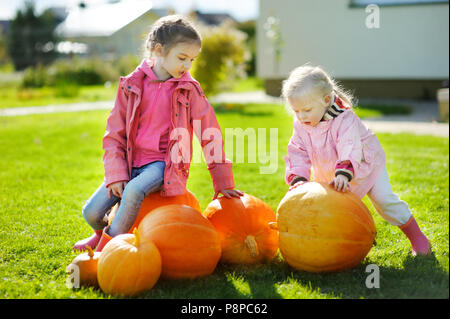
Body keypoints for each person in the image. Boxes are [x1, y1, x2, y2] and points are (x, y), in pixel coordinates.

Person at [73, 15, 243, 252]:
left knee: (133, 190)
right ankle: (99, 233)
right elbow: (114, 132)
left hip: (164, 164)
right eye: (182, 58)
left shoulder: (189, 89)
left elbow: (209, 131)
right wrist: (116, 173)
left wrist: (222, 179)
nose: (187, 66)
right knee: (91, 211)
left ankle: (106, 249)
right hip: (131, 161)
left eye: (192, 60)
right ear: (158, 50)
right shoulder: (131, 84)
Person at [283, 64, 430, 256]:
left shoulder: (344, 119)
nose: (301, 117)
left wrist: (344, 173)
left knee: (384, 201)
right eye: (296, 111)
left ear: (326, 100)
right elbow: (297, 151)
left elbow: (349, 146)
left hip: (365, 165)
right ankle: (339, 248)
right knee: (330, 212)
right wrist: (299, 179)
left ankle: (417, 237)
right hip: (329, 174)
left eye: (307, 110)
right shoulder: (301, 125)